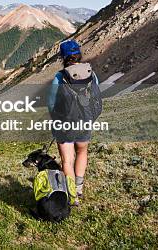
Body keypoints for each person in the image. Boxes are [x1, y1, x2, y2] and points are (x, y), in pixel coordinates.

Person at [47, 39, 101, 203]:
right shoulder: (91, 73)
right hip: (85, 121)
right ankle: (79, 188)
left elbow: (51, 103)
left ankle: (71, 196)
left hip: (65, 124)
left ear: (63, 57)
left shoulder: (60, 77)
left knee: (67, 160)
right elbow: (96, 97)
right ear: (79, 54)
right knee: (82, 152)